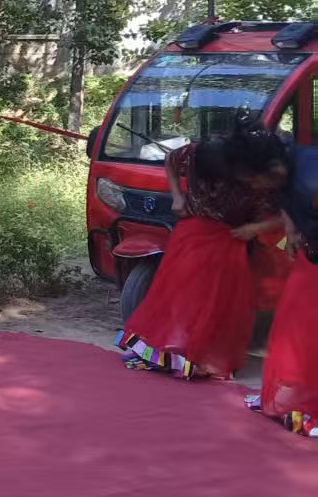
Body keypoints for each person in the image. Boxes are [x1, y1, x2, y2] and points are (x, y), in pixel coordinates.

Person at [117, 127, 290, 380]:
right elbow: (171, 159)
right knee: (180, 296)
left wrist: (256, 229)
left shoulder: (259, 172)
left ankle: (204, 355)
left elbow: (289, 215)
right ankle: (179, 351)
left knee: (218, 300)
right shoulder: (201, 152)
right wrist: (177, 196)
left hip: (231, 239)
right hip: (193, 233)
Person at [247, 143, 318, 437]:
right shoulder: (291, 162)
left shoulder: (310, 178)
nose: (256, 187)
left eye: (256, 180)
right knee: (294, 325)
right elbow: (288, 203)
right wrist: (291, 232)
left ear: (273, 170)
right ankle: (295, 394)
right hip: (309, 257)